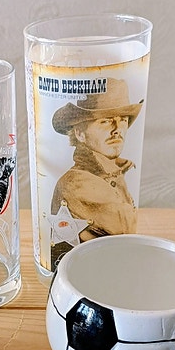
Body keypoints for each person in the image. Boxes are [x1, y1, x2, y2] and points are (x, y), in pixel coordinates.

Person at [50, 78, 143, 266]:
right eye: (106, 121)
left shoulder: (115, 173)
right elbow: (127, 229)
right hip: (85, 276)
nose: (117, 130)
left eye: (123, 120)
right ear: (80, 133)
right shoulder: (76, 183)